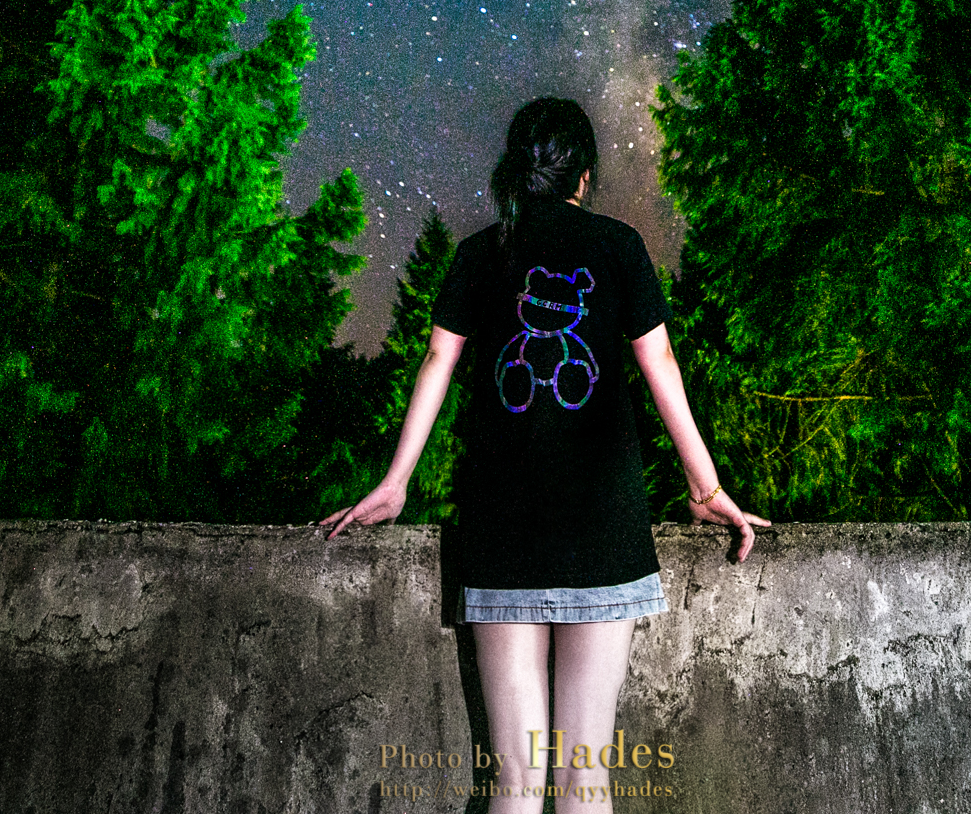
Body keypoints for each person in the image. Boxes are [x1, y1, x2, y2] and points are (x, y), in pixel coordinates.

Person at [320, 96, 768, 813]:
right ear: (583, 176)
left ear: (515, 171)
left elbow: (437, 361)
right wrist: (705, 487)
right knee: (584, 779)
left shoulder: (480, 252)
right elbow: (660, 364)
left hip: (503, 533)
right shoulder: (618, 246)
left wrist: (396, 481)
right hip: (602, 530)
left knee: (517, 781)